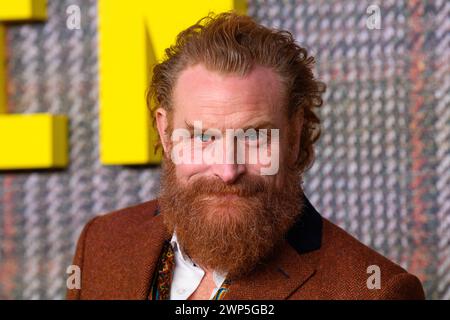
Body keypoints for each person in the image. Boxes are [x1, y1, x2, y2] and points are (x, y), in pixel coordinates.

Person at [67, 12, 425, 300]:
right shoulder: (100, 244)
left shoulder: (374, 292)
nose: (227, 169)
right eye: (202, 136)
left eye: (255, 137)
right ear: (165, 132)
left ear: (295, 134)